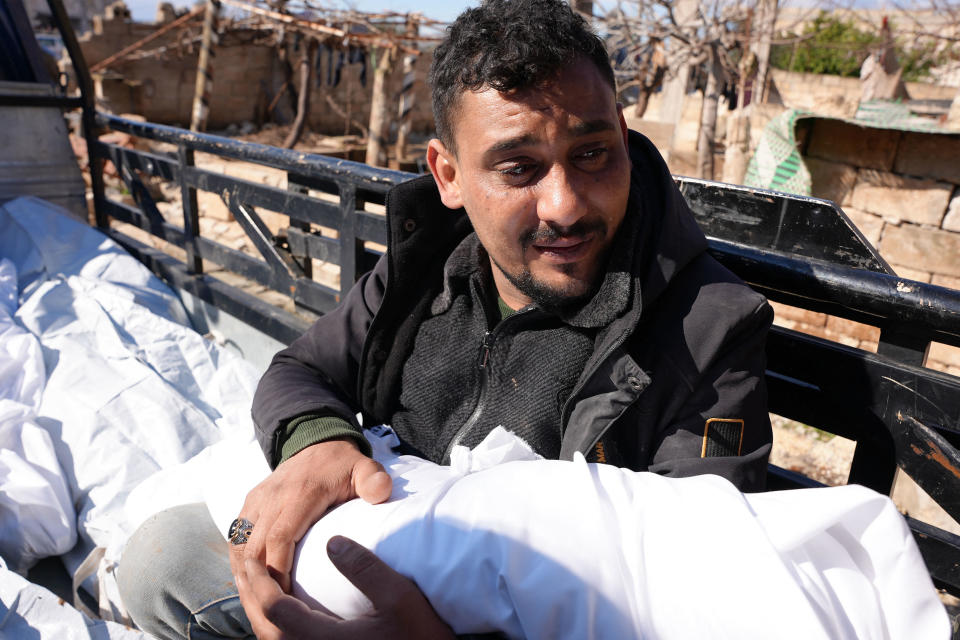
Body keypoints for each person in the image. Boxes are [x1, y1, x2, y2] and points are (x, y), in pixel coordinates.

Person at [118, 0, 774, 638]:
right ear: (449, 174)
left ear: (624, 138)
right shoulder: (428, 265)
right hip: (360, 569)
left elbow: (694, 587)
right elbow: (303, 370)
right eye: (519, 168)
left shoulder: (708, 329)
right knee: (161, 561)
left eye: (592, 153)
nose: (566, 205)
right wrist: (319, 443)